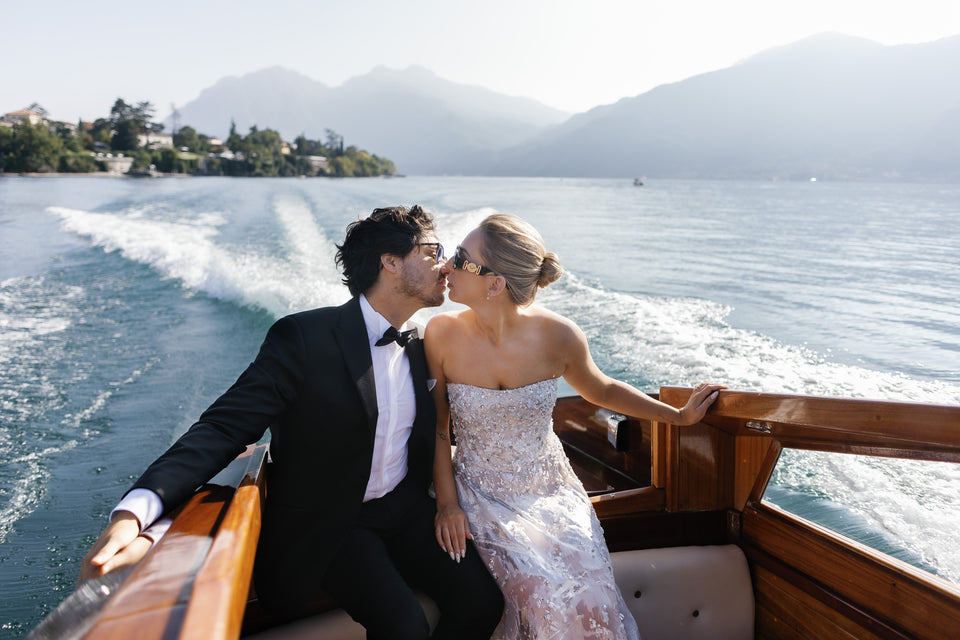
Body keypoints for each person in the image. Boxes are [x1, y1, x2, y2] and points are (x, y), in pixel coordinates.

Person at [78, 205, 504, 640]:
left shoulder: (425, 343)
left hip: (406, 507)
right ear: (390, 263)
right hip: (337, 522)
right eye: (433, 250)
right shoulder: (302, 339)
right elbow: (223, 428)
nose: (447, 264)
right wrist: (135, 513)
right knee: (405, 627)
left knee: (483, 603)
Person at [425, 213, 724, 639]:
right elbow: (439, 428)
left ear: (495, 284)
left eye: (460, 258)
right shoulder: (440, 334)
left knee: (592, 596)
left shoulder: (559, 336)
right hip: (479, 490)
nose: (446, 266)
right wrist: (447, 504)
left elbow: (601, 389)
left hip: (549, 489)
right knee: (536, 589)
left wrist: (677, 416)